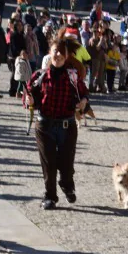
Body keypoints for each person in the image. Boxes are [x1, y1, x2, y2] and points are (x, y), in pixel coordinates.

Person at [25, 38, 90, 209]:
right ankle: (50, 196)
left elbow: (84, 94)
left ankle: (67, 185)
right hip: (44, 126)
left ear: (67, 55)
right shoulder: (39, 76)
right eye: (56, 51)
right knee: (49, 163)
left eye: (62, 52)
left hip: (67, 126)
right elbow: (29, 100)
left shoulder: (73, 76)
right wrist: (29, 100)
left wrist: (83, 102)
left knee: (67, 164)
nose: (59, 55)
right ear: (50, 52)